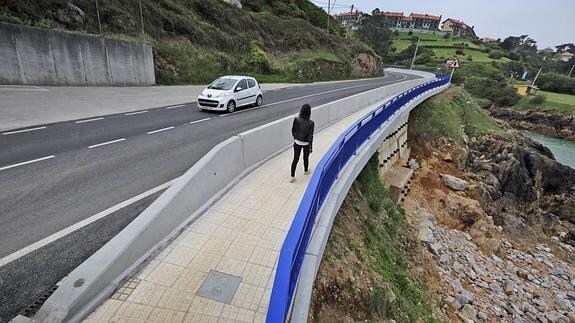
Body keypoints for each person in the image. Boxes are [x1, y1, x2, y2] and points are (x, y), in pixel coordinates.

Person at [290, 104, 314, 183]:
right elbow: (310, 136)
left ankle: (292, 176)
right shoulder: (311, 123)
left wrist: (296, 138)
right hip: (306, 143)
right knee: (305, 157)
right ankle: (306, 170)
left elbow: (293, 131)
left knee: (295, 159)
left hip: (297, 142)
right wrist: (310, 147)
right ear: (309, 112)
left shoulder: (296, 120)